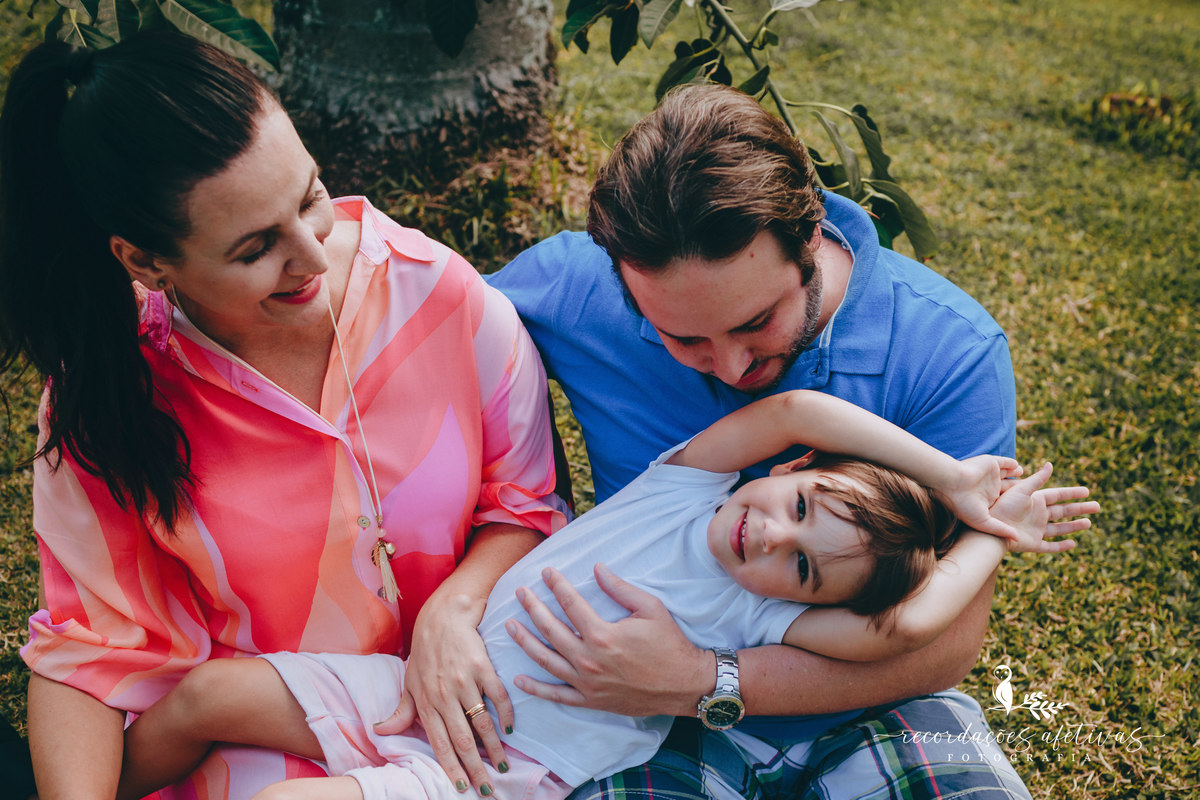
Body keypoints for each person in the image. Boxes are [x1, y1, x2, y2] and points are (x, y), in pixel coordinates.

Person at [0, 32, 567, 800]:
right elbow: (93, 650)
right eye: (257, 247)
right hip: (260, 742)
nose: (313, 253)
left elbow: (528, 506)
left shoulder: (444, 300)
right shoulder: (108, 395)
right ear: (144, 261)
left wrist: (453, 607)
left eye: (308, 195)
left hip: (477, 722)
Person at [112, 390, 1096, 800]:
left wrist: (987, 529)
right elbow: (798, 409)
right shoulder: (688, 483)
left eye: (803, 561)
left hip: (496, 768)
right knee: (206, 695)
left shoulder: (761, 614)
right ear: (786, 468)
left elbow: (911, 622)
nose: (775, 533)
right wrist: (947, 474)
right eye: (797, 501)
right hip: (418, 686)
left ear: (801, 597)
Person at [487, 84, 1035, 797]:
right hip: (629, 717)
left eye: (756, 322)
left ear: (810, 234)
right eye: (682, 339)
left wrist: (699, 678)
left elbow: (942, 649)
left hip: (863, 705)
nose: (735, 367)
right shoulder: (575, 289)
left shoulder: (947, 351)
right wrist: (455, 603)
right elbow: (407, 318)